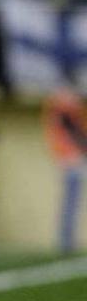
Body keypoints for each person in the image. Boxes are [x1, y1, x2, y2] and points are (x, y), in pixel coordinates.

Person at [42, 87, 87, 253]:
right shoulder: (64, 108)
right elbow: (74, 133)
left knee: (70, 202)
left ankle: (66, 241)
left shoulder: (59, 107)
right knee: (70, 202)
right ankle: (66, 242)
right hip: (71, 160)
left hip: (69, 159)